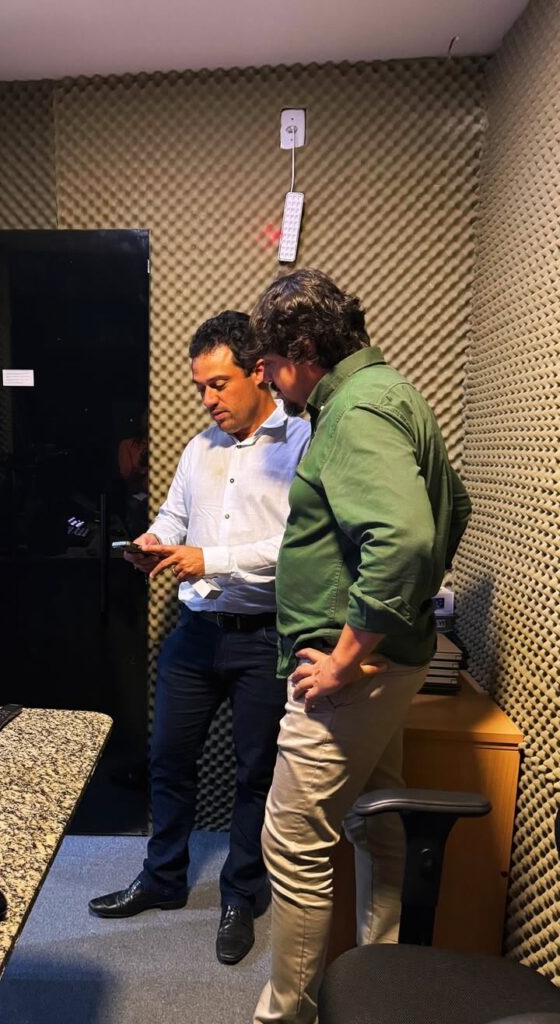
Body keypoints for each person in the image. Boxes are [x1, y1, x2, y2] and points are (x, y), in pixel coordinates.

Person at [247, 268, 472, 1023]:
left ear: (304, 351)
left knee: (293, 842)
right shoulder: (392, 391)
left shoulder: (354, 410)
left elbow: (405, 539)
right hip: (384, 661)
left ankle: (287, 1017)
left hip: (350, 674)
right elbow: (454, 508)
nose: (266, 380)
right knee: (378, 822)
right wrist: (393, 622)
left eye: (270, 364)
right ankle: (385, 986)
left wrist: (348, 653)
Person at [88, 310, 311, 964]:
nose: (208, 400)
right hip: (195, 633)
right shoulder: (198, 448)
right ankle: (162, 879)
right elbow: (173, 516)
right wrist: (155, 542)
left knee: (255, 774)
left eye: (219, 384)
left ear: (259, 372)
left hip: (265, 636)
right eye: (200, 388)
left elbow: (298, 549)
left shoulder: (303, 442)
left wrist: (207, 559)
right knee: (166, 759)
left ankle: (241, 894)